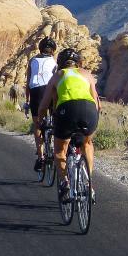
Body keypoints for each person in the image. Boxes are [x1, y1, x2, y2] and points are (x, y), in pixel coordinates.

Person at [37, 47, 99, 201]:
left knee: (60, 150)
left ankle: (65, 182)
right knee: (87, 143)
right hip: (89, 110)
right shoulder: (87, 74)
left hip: (67, 110)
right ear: (78, 63)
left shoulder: (58, 75)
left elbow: (44, 105)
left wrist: (40, 120)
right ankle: (88, 184)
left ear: (61, 64)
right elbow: (98, 102)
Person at [27, 37, 58, 173]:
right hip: (50, 90)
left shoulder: (32, 61)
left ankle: (40, 157)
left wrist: (27, 101)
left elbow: (28, 82)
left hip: (36, 91)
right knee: (55, 119)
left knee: (38, 125)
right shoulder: (54, 62)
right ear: (52, 51)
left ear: (40, 49)